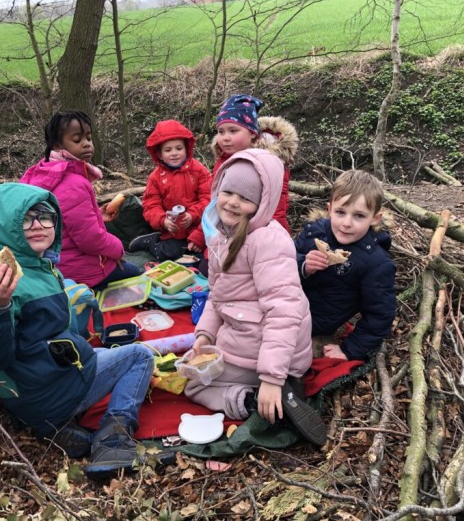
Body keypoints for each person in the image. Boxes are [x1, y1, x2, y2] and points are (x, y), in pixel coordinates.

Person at [0, 182, 169, 478]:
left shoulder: (42, 268)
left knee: (102, 349)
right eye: (25, 219)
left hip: (44, 386)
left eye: (44, 216)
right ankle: (112, 438)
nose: (38, 225)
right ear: (5, 227)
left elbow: (60, 331)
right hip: (50, 392)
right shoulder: (0, 284)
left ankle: (60, 429)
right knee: (139, 356)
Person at [184, 148, 326, 446]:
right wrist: (205, 336)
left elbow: (284, 311)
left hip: (271, 353)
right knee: (195, 364)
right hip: (246, 334)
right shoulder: (221, 235)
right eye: (228, 192)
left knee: (195, 385)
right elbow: (217, 296)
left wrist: (272, 377)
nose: (233, 202)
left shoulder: (268, 241)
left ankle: (252, 400)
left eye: (245, 198)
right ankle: (267, 394)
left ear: (263, 203)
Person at [20, 110, 140, 291]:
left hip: (54, 265)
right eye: (77, 140)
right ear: (57, 145)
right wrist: (118, 249)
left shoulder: (42, 172)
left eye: (89, 138)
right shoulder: (73, 183)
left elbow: (66, 219)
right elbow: (90, 239)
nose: (86, 144)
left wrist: (97, 215)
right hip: (80, 270)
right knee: (136, 273)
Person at [187, 94, 299, 275]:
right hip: (223, 237)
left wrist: (272, 247)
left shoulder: (269, 165)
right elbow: (215, 205)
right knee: (207, 273)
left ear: (252, 134)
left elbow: (275, 210)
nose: (225, 138)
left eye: (233, 131)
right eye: (221, 131)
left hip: (256, 240)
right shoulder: (223, 161)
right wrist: (201, 235)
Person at [294, 169, 396, 361]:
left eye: (359, 216)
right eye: (340, 212)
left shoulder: (376, 263)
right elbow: (281, 264)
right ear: (330, 208)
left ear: (375, 218)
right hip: (282, 309)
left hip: (315, 327)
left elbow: (380, 314)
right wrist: (303, 265)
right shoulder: (313, 233)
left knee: (290, 358)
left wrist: (350, 350)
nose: (347, 223)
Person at [128, 120, 211, 260]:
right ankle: (151, 242)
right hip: (172, 231)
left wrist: (193, 215)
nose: (174, 153)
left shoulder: (199, 171)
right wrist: (163, 221)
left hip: (199, 227)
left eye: (179, 148)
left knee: (202, 253)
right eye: (168, 150)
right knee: (170, 253)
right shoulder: (155, 178)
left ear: (187, 149)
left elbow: (208, 198)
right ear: (159, 154)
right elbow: (151, 205)